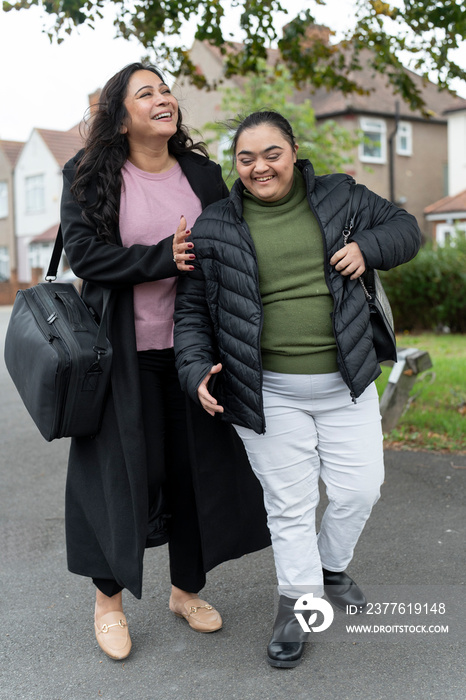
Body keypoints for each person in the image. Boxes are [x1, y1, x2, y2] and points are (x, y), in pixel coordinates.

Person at [173, 110, 421, 668]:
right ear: (234, 165)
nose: (259, 167)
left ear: (293, 151)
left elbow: (407, 229)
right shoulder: (214, 225)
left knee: (360, 489)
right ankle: (298, 603)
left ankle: (331, 565)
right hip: (266, 389)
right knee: (290, 504)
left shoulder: (341, 196)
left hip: (347, 379)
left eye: (271, 154)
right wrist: (194, 372)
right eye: (245, 158)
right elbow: (190, 312)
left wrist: (368, 250)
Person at [60, 65, 269, 661]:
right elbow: (85, 255)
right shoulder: (91, 173)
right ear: (120, 116)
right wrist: (161, 258)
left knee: (193, 470)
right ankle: (108, 603)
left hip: (193, 351)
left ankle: (186, 590)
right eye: (145, 93)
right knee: (122, 476)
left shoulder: (201, 173)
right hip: (120, 356)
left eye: (166, 89)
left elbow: (234, 240)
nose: (163, 99)